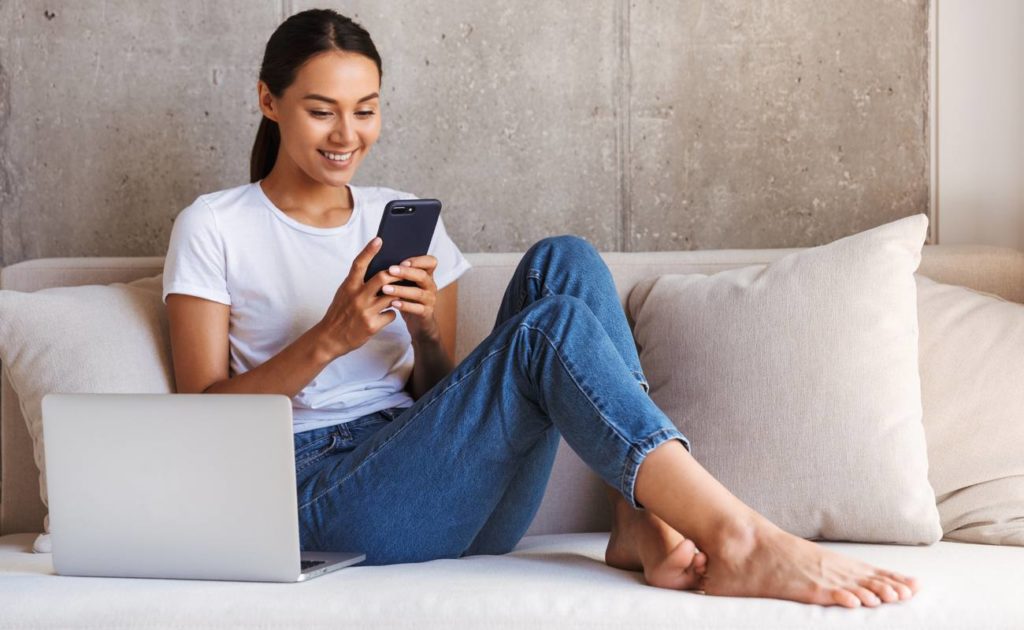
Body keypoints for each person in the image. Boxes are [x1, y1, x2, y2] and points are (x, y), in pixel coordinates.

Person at [162, 8, 919, 609]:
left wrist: (425, 334)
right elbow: (200, 419)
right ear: (269, 101)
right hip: (325, 500)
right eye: (321, 111)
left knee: (567, 260)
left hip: (440, 485)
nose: (347, 135)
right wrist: (329, 340)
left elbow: (438, 397)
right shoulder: (215, 225)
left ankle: (637, 522)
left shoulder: (397, 214)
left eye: (366, 110)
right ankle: (739, 536)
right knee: (545, 334)